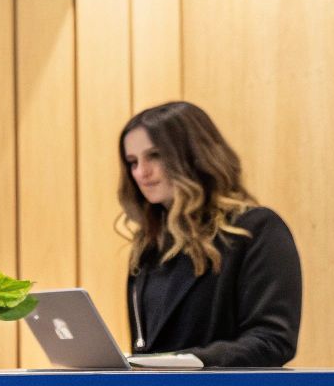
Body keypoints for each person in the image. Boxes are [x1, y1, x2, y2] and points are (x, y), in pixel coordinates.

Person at [120, 101, 302, 367]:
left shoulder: (257, 230)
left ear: (194, 154)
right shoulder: (148, 248)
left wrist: (189, 361)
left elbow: (273, 340)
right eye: (132, 162)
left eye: (155, 155)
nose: (141, 173)